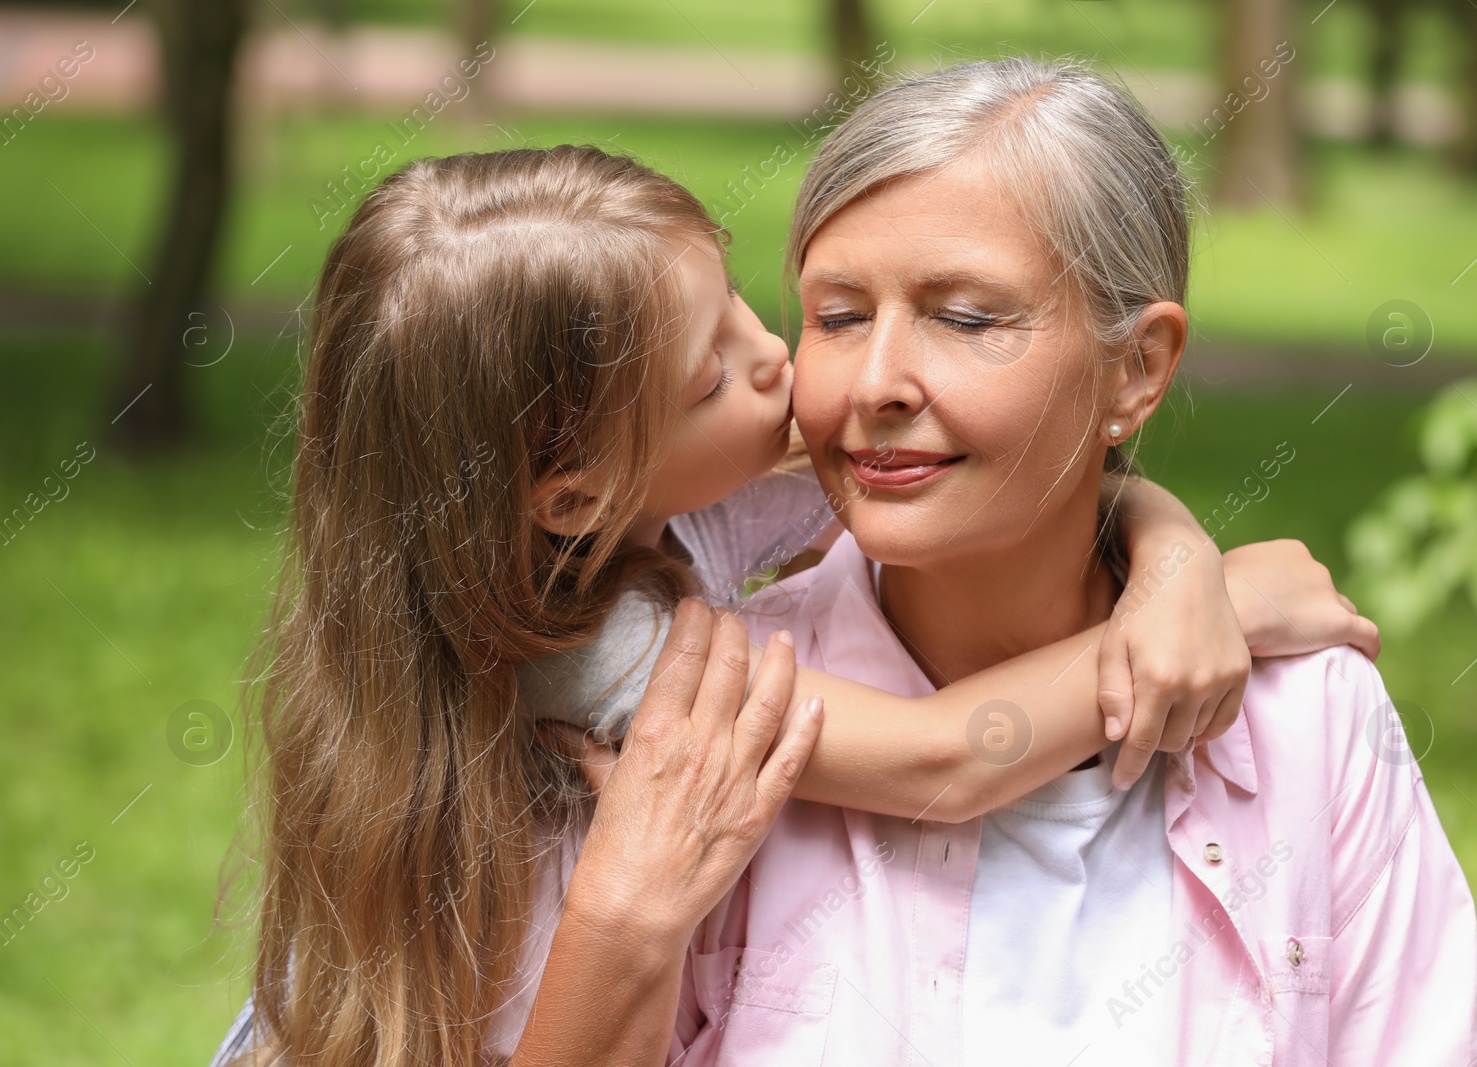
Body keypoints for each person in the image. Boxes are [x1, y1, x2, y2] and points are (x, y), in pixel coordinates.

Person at [211, 143, 1377, 1067]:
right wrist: (1197, 609)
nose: (778, 361)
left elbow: (1010, 473)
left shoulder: (645, 508)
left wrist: (1169, 552)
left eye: (745, 308)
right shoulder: (601, 657)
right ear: (572, 493)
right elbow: (941, 760)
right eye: (711, 374)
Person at [512, 59, 1477, 1066]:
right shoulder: (689, 725)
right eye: (839, 316)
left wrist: (1175, 557)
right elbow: (941, 751)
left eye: (967, 317)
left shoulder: (1312, 721)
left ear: (1138, 368)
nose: (877, 381)